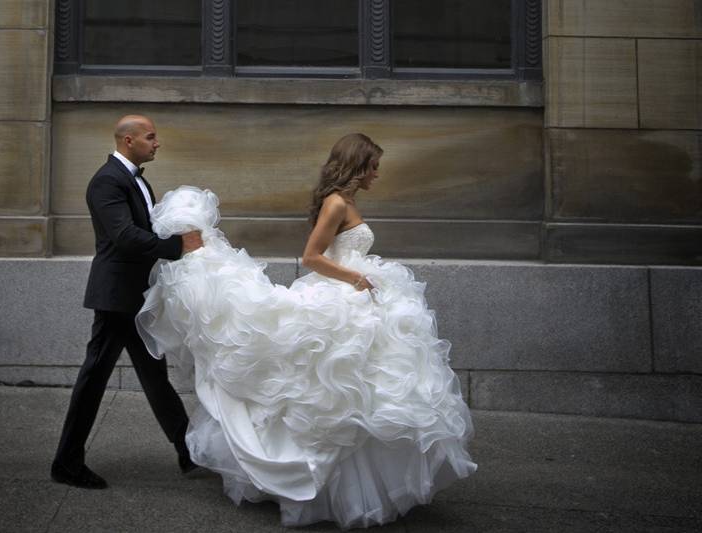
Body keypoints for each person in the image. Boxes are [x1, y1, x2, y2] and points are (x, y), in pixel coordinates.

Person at [137, 133, 476, 527]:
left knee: (367, 391)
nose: (377, 174)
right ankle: (313, 480)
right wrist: (354, 278)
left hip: (355, 294)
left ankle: (349, 485)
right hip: (340, 295)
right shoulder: (336, 204)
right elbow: (312, 257)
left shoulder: (346, 202)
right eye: (373, 166)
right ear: (357, 166)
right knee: (337, 390)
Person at [51, 115, 203, 490]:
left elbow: (143, 229)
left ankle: (188, 451)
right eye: (150, 137)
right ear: (128, 140)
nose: (157, 143)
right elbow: (124, 236)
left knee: (155, 375)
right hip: (116, 297)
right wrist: (176, 248)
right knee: (94, 379)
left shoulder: (135, 179)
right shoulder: (107, 181)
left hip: (136, 295)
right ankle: (67, 463)